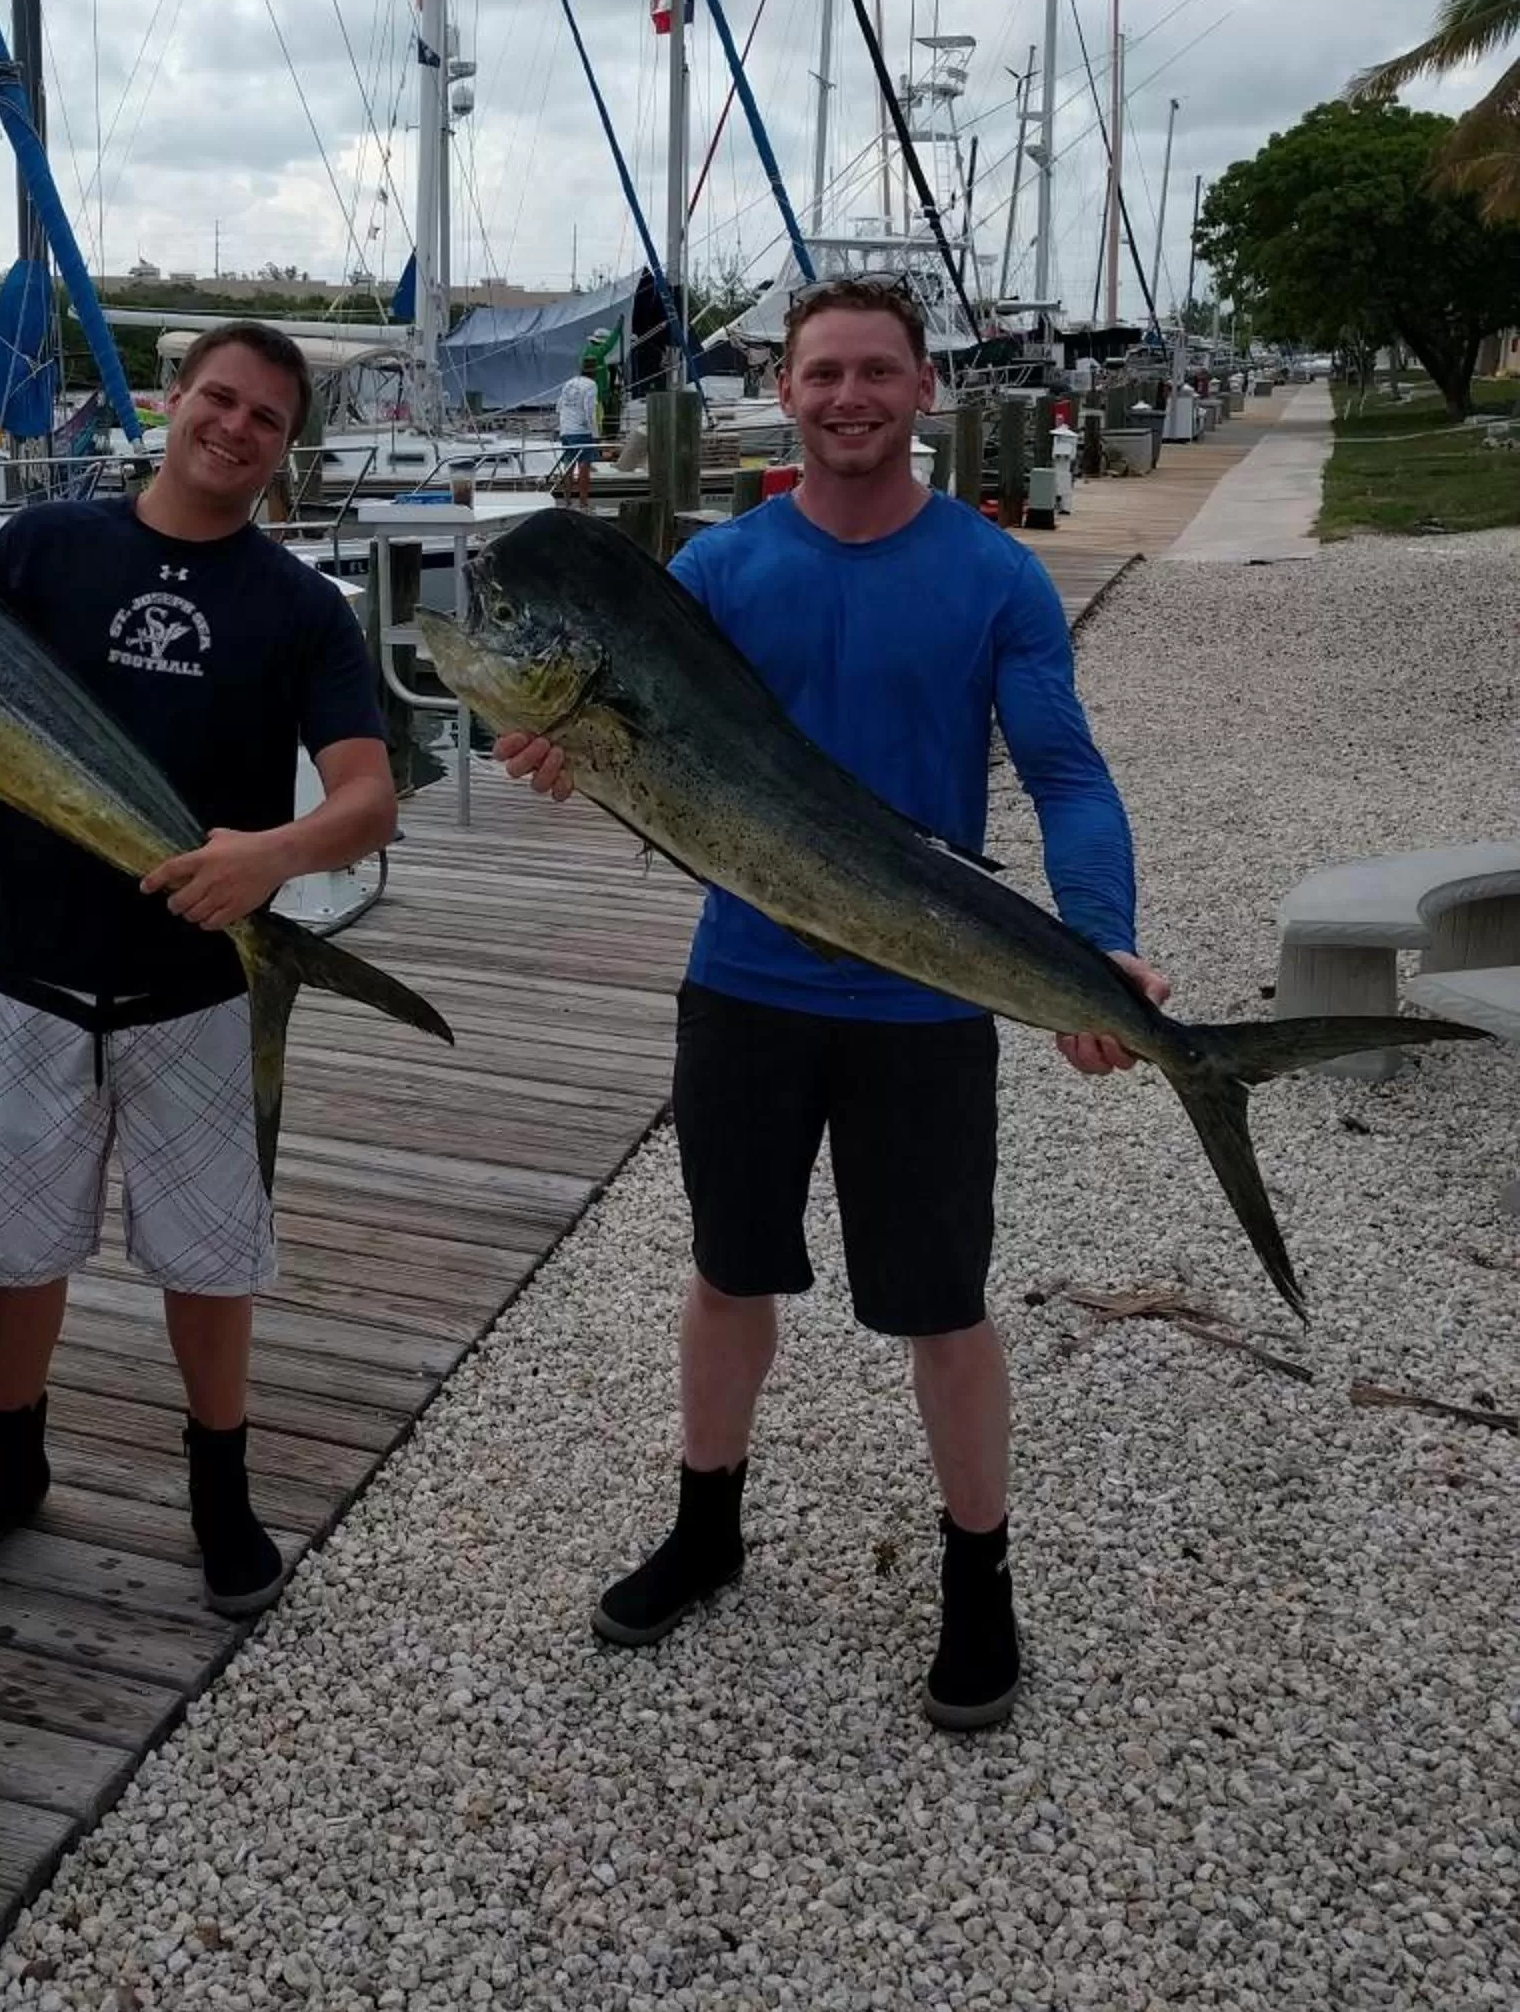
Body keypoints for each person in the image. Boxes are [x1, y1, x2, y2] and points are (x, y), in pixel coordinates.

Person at [496, 275, 1168, 1729]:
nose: (847, 397)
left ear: (923, 389)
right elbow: (644, 748)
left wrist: (1095, 944)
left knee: (942, 1308)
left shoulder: (994, 575)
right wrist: (563, 755)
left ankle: (978, 1577)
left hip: (923, 1004)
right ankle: (707, 1524)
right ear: (782, 393)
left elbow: (1063, 773)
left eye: (875, 372)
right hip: (743, 988)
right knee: (727, 1274)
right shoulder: (721, 570)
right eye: (821, 375)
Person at [0, 321, 399, 1616]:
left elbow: (366, 801)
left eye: (265, 421)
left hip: (195, 984)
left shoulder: (296, 607)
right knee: (13, 1245)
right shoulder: (40, 546)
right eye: (218, 401)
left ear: (286, 451)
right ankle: (11, 1466)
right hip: (25, 962)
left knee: (210, 1250)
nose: (234, 430)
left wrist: (270, 861)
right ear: (175, 400)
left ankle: (217, 1486)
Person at [555, 363, 602, 499]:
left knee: (568, 465)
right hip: (581, 430)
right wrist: (595, 434)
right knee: (584, 466)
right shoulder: (591, 385)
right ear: (594, 373)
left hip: (566, 430)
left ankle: (567, 500)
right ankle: (583, 502)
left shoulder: (569, 383)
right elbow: (589, 410)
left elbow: (559, 407)